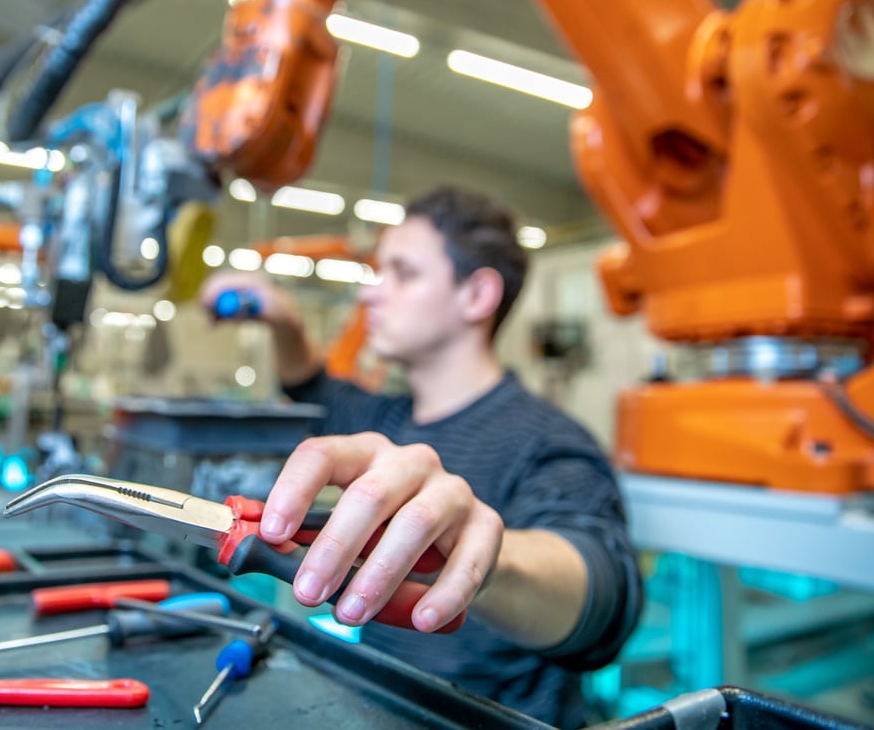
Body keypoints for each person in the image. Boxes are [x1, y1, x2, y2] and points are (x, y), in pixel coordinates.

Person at [198, 184, 643, 728]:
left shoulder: (548, 439)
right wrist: (285, 321)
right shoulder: (385, 422)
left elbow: (604, 598)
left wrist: (484, 556)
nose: (370, 294)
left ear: (477, 295)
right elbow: (311, 385)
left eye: (403, 274)